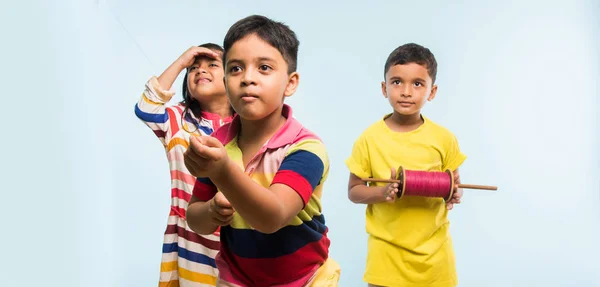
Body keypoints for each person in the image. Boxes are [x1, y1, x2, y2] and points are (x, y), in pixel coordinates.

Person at [184, 15, 340, 287]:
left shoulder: (306, 148)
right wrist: (210, 211)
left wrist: (223, 172)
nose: (247, 79)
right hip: (237, 279)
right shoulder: (219, 143)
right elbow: (194, 217)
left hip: (307, 280)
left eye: (264, 67)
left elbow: (272, 217)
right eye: (235, 69)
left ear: (290, 83)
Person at [345, 43, 467, 287]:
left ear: (432, 92)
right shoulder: (369, 139)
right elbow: (354, 191)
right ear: (384, 88)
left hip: (435, 258)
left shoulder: (444, 138)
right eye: (397, 82)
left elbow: (455, 183)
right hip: (386, 257)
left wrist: (454, 193)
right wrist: (381, 192)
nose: (406, 91)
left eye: (418, 84)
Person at [135, 43, 234, 286]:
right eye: (193, 68)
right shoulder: (177, 120)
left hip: (238, 235)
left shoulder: (247, 125)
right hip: (190, 237)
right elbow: (146, 108)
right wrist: (181, 61)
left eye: (212, 65)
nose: (200, 71)